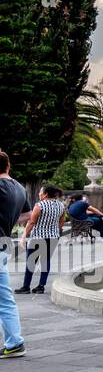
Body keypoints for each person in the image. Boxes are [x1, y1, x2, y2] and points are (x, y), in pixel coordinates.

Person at [0, 151, 28, 357]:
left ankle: (16, 342)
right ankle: (15, 342)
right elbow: (26, 214)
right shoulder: (19, 187)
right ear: (8, 165)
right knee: (4, 298)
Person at [18, 186, 66, 296]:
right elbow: (61, 223)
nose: (39, 193)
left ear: (45, 194)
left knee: (31, 262)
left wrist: (23, 237)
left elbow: (31, 222)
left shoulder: (39, 205)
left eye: (40, 192)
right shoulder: (61, 205)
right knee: (46, 261)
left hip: (38, 238)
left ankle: (26, 286)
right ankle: (41, 286)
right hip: (53, 237)